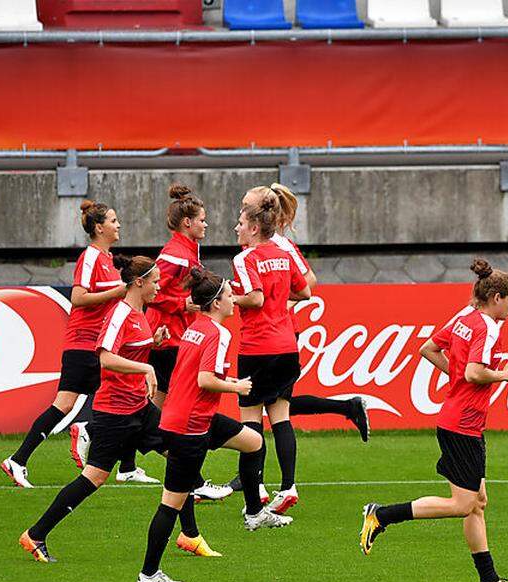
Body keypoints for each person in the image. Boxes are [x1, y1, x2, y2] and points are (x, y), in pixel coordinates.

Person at [359, 259, 508, 582]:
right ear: (495, 297)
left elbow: (428, 349)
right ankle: (382, 515)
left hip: (459, 421)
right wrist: (504, 375)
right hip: (463, 425)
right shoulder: (488, 327)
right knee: (463, 504)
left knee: (478, 503)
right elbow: (475, 373)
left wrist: (457, 373)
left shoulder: (463, 317)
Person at [138, 268, 290, 582]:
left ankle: (253, 512)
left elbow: (200, 377)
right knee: (171, 503)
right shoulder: (219, 334)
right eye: (230, 294)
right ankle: (149, 573)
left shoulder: (197, 326)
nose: (235, 298)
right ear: (216, 302)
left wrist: (230, 383)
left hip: (191, 417)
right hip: (190, 426)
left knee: (253, 442)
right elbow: (205, 380)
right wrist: (237, 388)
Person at [19, 256, 169, 562]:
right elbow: (105, 357)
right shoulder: (120, 313)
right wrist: (145, 368)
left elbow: (130, 349)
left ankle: (189, 534)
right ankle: (35, 534)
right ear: (139, 283)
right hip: (115, 412)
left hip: (138, 408)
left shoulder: (141, 313)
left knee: (181, 454)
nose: (158, 287)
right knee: (94, 478)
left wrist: (151, 342)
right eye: (155, 281)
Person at [1, 201, 157, 488]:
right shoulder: (90, 258)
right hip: (85, 344)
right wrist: (119, 291)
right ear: (99, 227)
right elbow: (78, 297)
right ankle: (89, 438)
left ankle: (21, 459)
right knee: (125, 402)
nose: (118, 224)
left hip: (94, 343)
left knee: (109, 402)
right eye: (113, 220)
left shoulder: (108, 260)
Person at [144, 184, 232, 502]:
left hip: (176, 336)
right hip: (166, 338)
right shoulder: (173, 255)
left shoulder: (188, 250)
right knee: (173, 410)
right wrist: (184, 306)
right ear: (187, 223)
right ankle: (193, 481)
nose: (206, 224)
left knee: (158, 408)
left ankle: (117, 452)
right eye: (202, 219)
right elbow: (152, 292)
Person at [230, 186, 312, 514]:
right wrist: (282, 303)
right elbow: (305, 290)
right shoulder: (282, 251)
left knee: (250, 421)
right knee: (281, 416)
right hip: (287, 347)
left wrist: (226, 298)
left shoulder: (245, 258)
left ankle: (257, 491)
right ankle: (288, 485)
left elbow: (256, 298)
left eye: (241, 216)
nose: (237, 225)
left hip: (257, 347)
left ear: (254, 224)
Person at [270, 183, 370, 441]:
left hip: (282, 331)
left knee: (271, 403)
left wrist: (284, 304)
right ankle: (347, 407)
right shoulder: (262, 243)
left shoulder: (281, 245)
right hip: (272, 331)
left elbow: (309, 279)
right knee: (277, 403)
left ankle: (254, 476)